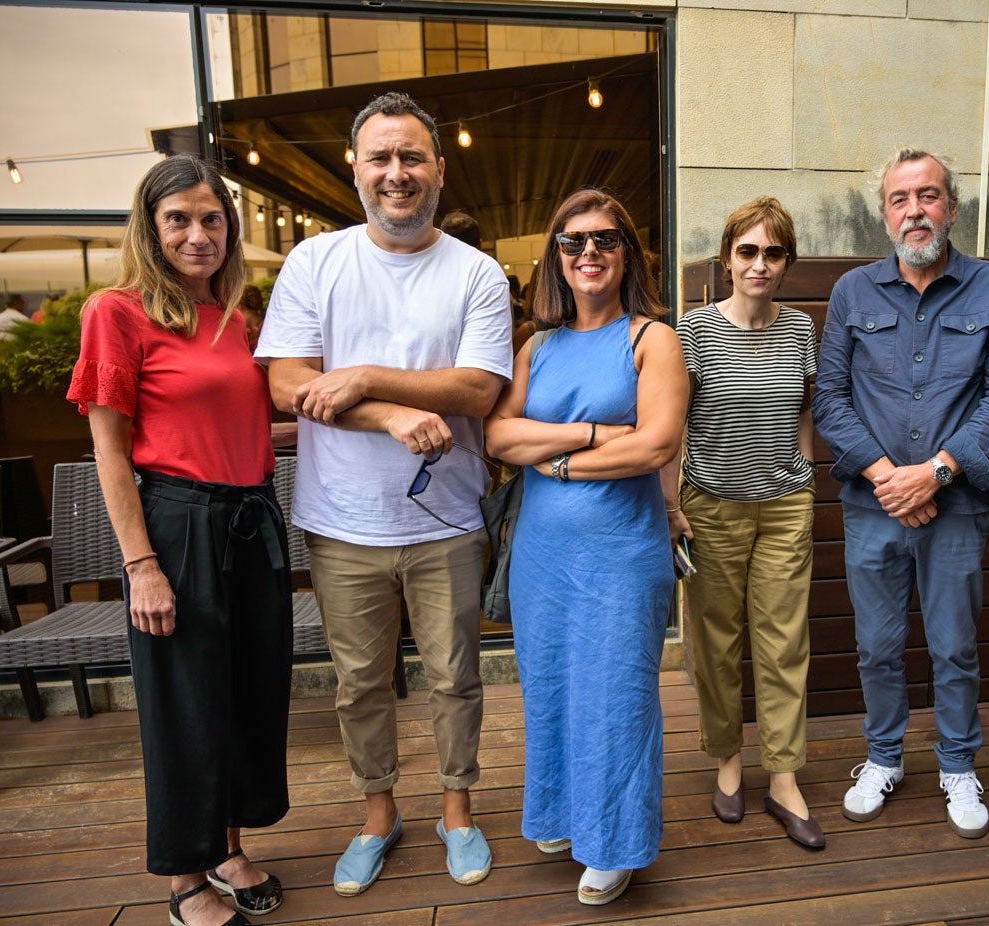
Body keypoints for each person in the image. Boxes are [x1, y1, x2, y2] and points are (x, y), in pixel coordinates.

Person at [256, 91, 512, 897]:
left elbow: (475, 390)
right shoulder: (314, 262)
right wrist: (396, 410)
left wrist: (361, 376)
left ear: (438, 169)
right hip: (341, 521)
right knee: (360, 684)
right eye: (381, 158)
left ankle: (456, 810)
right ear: (355, 168)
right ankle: (378, 816)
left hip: (446, 518)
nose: (396, 174)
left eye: (411, 158)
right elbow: (288, 383)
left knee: (454, 677)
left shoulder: (474, 272)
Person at [66, 154, 291, 926]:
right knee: (185, 705)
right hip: (177, 523)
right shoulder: (117, 312)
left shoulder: (241, 320)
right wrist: (141, 566)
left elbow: (255, 424)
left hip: (251, 520)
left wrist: (367, 411)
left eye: (212, 220)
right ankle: (184, 879)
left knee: (246, 694)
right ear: (151, 226)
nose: (198, 235)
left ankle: (226, 847)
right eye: (179, 220)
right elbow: (109, 449)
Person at [813, 147, 989, 838]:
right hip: (871, 505)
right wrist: (887, 477)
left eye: (928, 196)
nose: (914, 211)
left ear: (952, 207)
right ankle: (882, 757)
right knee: (875, 646)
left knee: (954, 646)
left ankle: (957, 764)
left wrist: (933, 473)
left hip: (956, 507)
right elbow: (830, 399)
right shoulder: (851, 292)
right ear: (884, 213)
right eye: (900, 199)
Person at [484, 188, 688, 906]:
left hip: (621, 552)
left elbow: (657, 443)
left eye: (604, 239)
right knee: (551, 688)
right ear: (556, 259)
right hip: (544, 555)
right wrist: (595, 435)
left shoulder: (651, 338)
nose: (588, 252)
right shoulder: (536, 345)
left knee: (616, 697)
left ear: (626, 252)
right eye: (573, 242)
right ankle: (563, 815)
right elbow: (497, 437)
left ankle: (615, 843)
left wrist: (559, 461)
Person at [668, 196, 823, 848]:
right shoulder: (693, 331)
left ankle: (783, 776)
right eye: (747, 251)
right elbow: (671, 423)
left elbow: (804, 409)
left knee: (785, 645)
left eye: (773, 253)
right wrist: (671, 506)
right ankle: (728, 761)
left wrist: (806, 469)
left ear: (786, 262)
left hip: (784, 507)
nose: (759, 265)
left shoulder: (799, 331)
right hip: (710, 508)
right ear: (727, 258)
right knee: (717, 646)